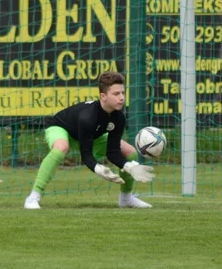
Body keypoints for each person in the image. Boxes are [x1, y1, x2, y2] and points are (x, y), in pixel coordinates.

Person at [24, 71, 156, 210]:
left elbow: (113, 152)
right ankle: (33, 197)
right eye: (116, 94)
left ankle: (126, 198)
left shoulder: (119, 118)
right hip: (61, 128)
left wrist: (130, 166)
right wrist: (99, 169)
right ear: (103, 96)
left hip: (92, 137)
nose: (122, 98)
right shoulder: (87, 117)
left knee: (130, 152)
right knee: (61, 147)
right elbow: (86, 155)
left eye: (123, 93)